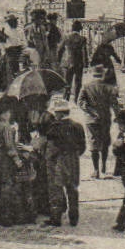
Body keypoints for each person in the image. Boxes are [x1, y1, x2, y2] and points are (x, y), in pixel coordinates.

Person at [41, 97, 86, 227]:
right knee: (72, 188)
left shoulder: (54, 128)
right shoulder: (78, 126)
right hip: (74, 160)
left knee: (56, 189)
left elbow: (51, 148)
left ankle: (56, 218)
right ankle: (74, 217)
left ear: (59, 113)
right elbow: (82, 147)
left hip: (59, 161)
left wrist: (49, 160)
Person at [0, 98, 25, 225]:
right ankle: (7, 217)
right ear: (4, 114)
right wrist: (17, 160)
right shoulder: (6, 127)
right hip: (5, 159)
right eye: (7, 113)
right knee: (7, 187)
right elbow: (10, 146)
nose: (9, 115)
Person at [79, 64, 118, 178]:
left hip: (90, 119)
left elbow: (80, 102)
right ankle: (104, 167)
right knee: (105, 142)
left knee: (93, 143)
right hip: (105, 118)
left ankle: (95, 170)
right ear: (102, 74)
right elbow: (114, 104)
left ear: (92, 74)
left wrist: (90, 110)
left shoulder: (86, 86)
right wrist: (118, 116)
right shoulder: (108, 87)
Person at [58, 26, 87, 102]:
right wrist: (86, 64)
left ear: (71, 29)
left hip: (68, 62)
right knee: (78, 82)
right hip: (79, 63)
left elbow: (60, 50)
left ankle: (66, 99)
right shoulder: (83, 39)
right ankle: (76, 99)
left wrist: (59, 60)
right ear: (80, 30)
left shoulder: (66, 37)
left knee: (67, 82)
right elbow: (84, 52)